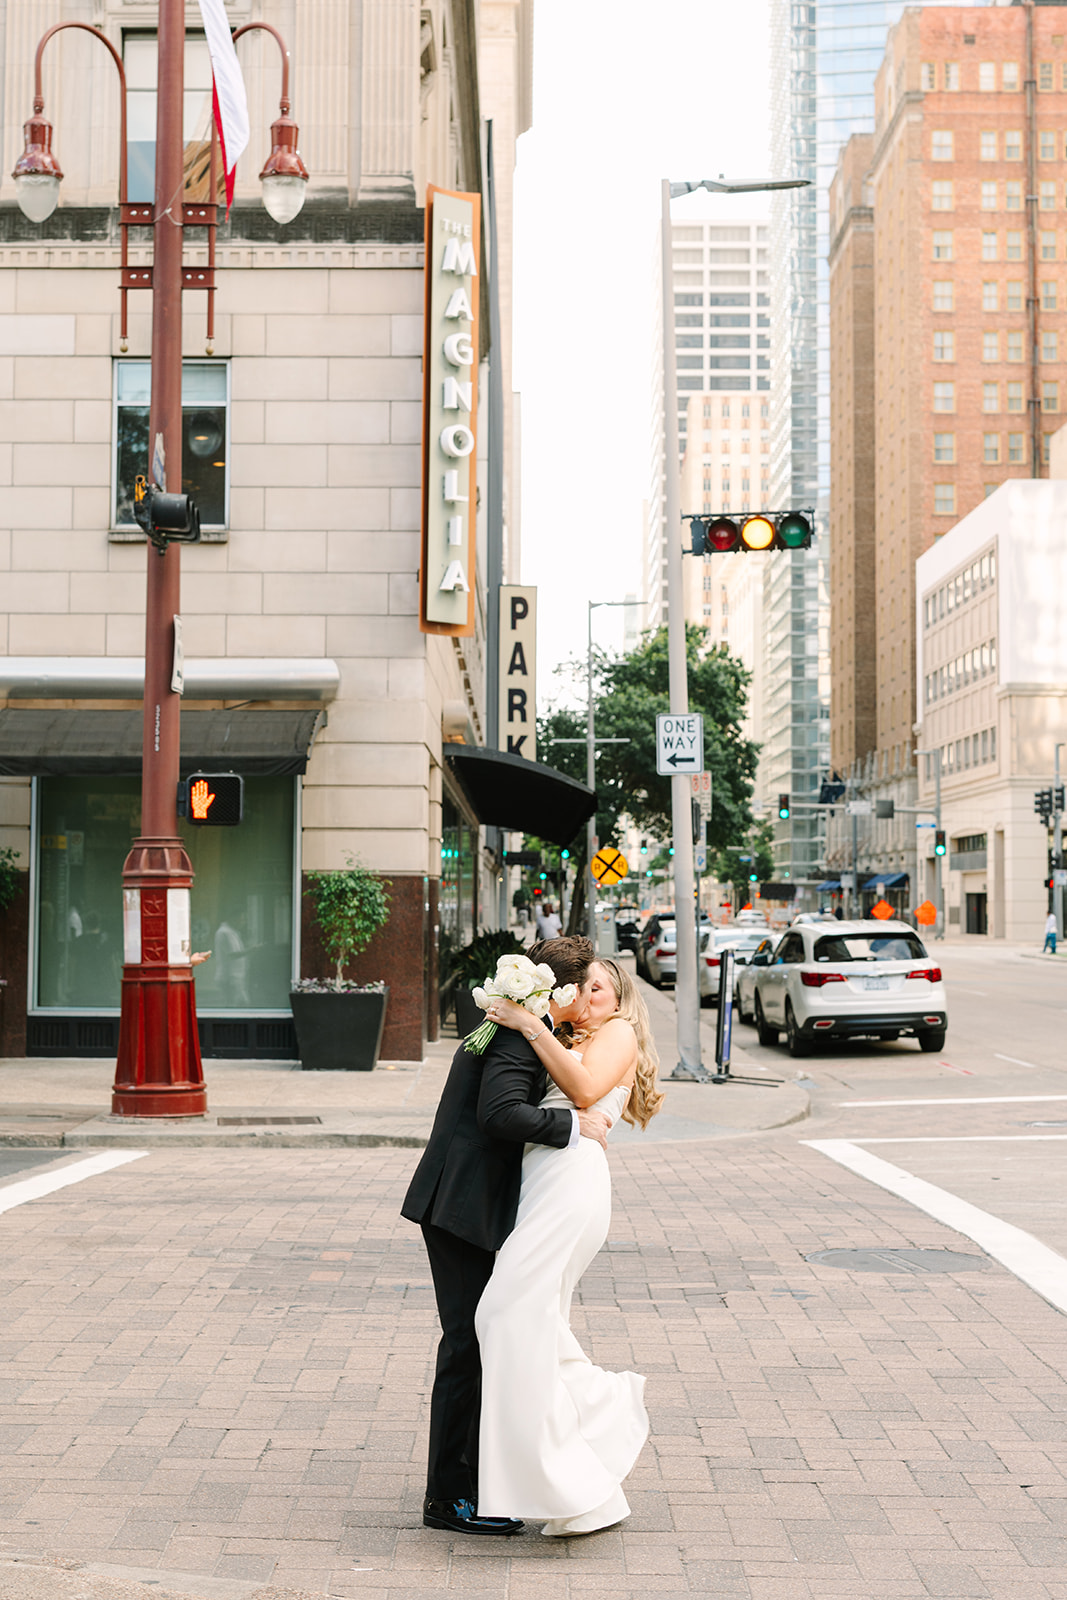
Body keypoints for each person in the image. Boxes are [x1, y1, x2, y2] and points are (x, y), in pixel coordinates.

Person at [401, 936, 607, 1537]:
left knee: (480, 1338)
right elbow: (500, 1114)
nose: (590, 999)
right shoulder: (518, 1033)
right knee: (467, 1344)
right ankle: (447, 1496)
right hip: (461, 1205)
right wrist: (573, 1125)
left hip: (461, 1200)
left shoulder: (513, 1026)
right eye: (586, 986)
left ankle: (473, 1480)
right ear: (560, 990)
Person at [475, 958, 663, 1536]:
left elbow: (582, 1089)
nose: (587, 993)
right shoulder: (566, 1034)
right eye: (583, 985)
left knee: (504, 1311)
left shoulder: (618, 1033)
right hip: (542, 1184)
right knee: (536, 1325)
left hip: (573, 1183)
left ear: (619, 999)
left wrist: (525, 1022)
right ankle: (581, 1488)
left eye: (599, 986)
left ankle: (605, 1410)